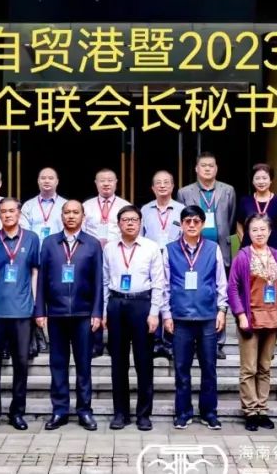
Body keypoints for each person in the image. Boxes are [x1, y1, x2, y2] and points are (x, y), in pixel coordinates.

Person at [35, 200, 103, 431]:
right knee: (58, 364)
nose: (71, 216)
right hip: (56, 314)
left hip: (84, 314)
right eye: (67, 212)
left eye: (76, 212)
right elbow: (42, 279)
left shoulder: (92, 244)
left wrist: (97, 311)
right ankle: (60, 410)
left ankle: (85, 411)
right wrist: (40, 310)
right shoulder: (49, 243)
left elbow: (98, 280)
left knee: (84, 365)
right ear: (61, 216)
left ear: (83, 216)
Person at [0, 198, 42, 432]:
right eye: (3, 211)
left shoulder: (32, 239)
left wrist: (36, 306)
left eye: (12, 211)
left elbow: (35, 273)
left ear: (19, 213)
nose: (7, 215)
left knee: (21, 364)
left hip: (22, 312)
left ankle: (17, 413)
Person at [163, 206, 229, 431]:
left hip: (208, 317)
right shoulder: (170, 250)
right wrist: (166, 314)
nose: (191, 225)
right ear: (181, 224)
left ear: (202, 224)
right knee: (182, 369)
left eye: (196, 221)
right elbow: (164, 284)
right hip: (180, 317)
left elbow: (221, 281)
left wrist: (222, 310)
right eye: (187, 221)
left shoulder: (213, 248)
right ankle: (183, 412)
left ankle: (209, 413)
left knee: (209, 368)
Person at [104, 205, 166, 431]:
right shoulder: (110, 248)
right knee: (118, 363)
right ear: (118, 224)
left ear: (140, 223)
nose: (130, 223)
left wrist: (154, 312)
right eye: (125, 220)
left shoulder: (151, 247)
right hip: (116, 304)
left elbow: (158, 283)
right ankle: (120, 413)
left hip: (142, 305)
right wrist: (104, 311)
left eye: (134, 220)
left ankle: (143, 414)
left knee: (144, 362)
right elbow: (104, 281)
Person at [227, 213, 277, 432]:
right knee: (249, 368)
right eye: (254, 230)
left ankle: (262, 409)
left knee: (265, 367)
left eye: (263, 229)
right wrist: (240, 314)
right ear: (248, 233)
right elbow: (232, 288)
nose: (259, 233)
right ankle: (250, 411)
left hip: (272, 319)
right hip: (250, 318)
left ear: (270, 231)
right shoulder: (243, 256)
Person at [176, 152, 236, 359]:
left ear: (216, 168)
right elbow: (183, 218)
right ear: (196, 169)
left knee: (219, 293)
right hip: (193, 250)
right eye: (204, 165)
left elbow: (230, 219)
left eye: (211, 165)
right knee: (194, 293)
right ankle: (193, 342)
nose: (208, 169)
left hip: (220, 248)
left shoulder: (228, 190)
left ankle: (218, 342)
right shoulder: (184, 192)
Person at [83, 169, 131, 357]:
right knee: (93, 296)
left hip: (117, 256)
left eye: (110, 180)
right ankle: (95, 342)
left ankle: (115, 341)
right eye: (102, 180)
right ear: (96, 183)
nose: (106, 184)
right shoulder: (86, 206)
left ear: (116, 182)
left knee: (114, 297)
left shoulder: (125, 206)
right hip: (92, 257)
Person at [20, 168, 65, 358]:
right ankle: (37, 337)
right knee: (33, 294)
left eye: (51, 178)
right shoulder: (28, 206)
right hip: (33, 257)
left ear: (57, 181)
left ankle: (55, 336)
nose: (47, 181)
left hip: (57, 258)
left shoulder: (64, 205)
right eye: (43, 178)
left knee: (55, 295)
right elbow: (24, 231)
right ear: (38, 181)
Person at [141, 170, 184, 359]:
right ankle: (156, 340)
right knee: (154, 295)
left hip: (175, 257)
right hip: (151, 257)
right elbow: (140, 236)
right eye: (158, 182)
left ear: (173, 186)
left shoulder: (181, 209)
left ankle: (170, 341)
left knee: (171, 295)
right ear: (152, 188)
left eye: (166, 182)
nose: (162, 185)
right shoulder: (145, 210)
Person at [235, 163, 277, 254]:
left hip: (273, 252)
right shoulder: (245, 202)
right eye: (257, 178)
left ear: (271, 180)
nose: (261, 182)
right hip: (249, 252)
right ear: (252, 181)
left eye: (264, 178)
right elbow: (239, 227)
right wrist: (246, 244)